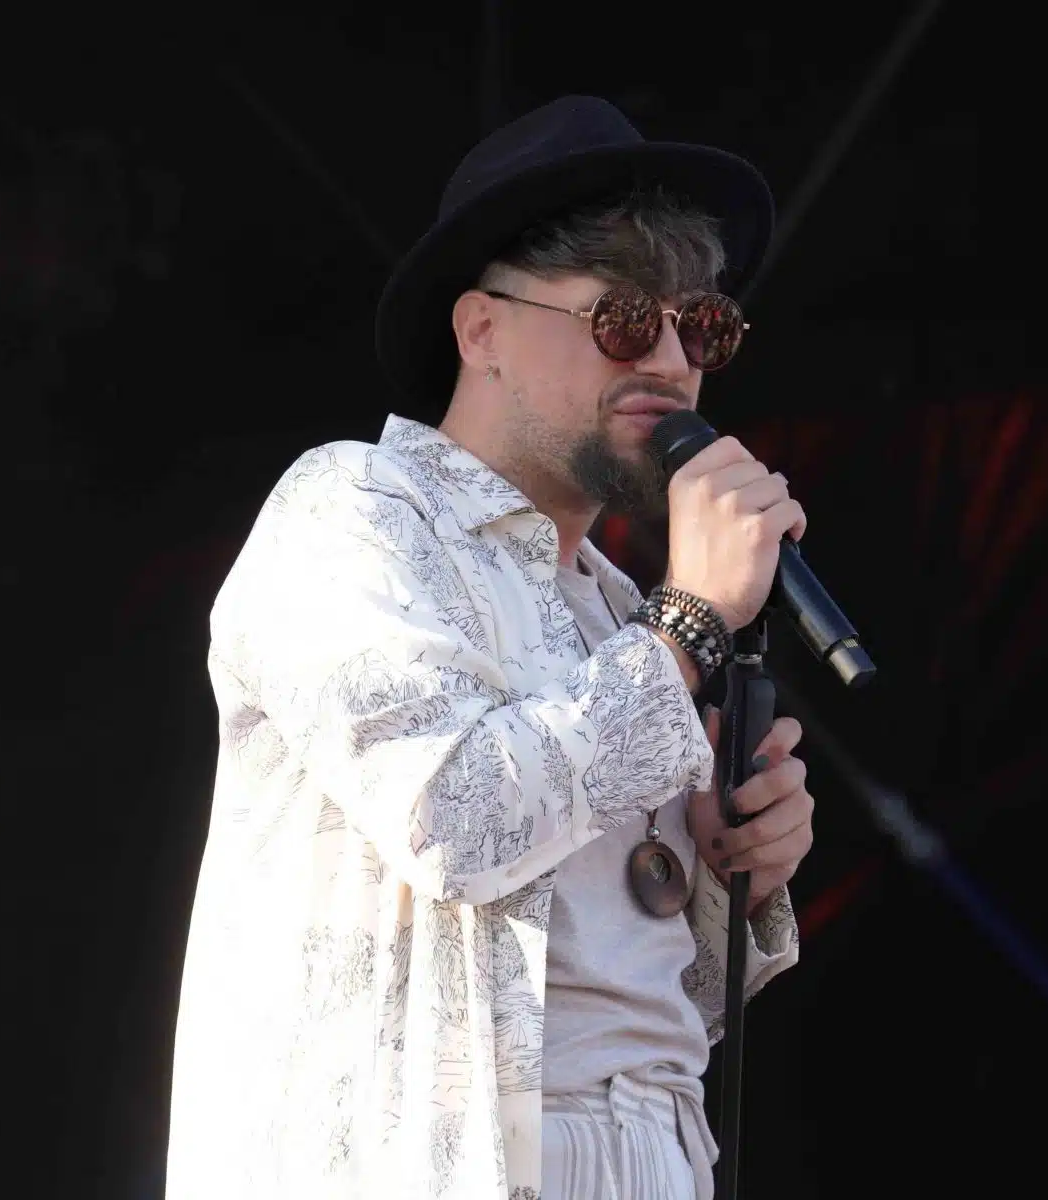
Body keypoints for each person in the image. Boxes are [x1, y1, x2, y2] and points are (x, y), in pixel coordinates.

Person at [165, 95, 818, 1200]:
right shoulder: (352, 512)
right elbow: (454, 819)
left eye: (700, 328)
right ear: (482, 332)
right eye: (624, 318)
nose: (671, 360)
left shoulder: (618, 612)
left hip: (657, 1155)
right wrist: (686, 628)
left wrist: (726, 873)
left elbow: (644, 1005)